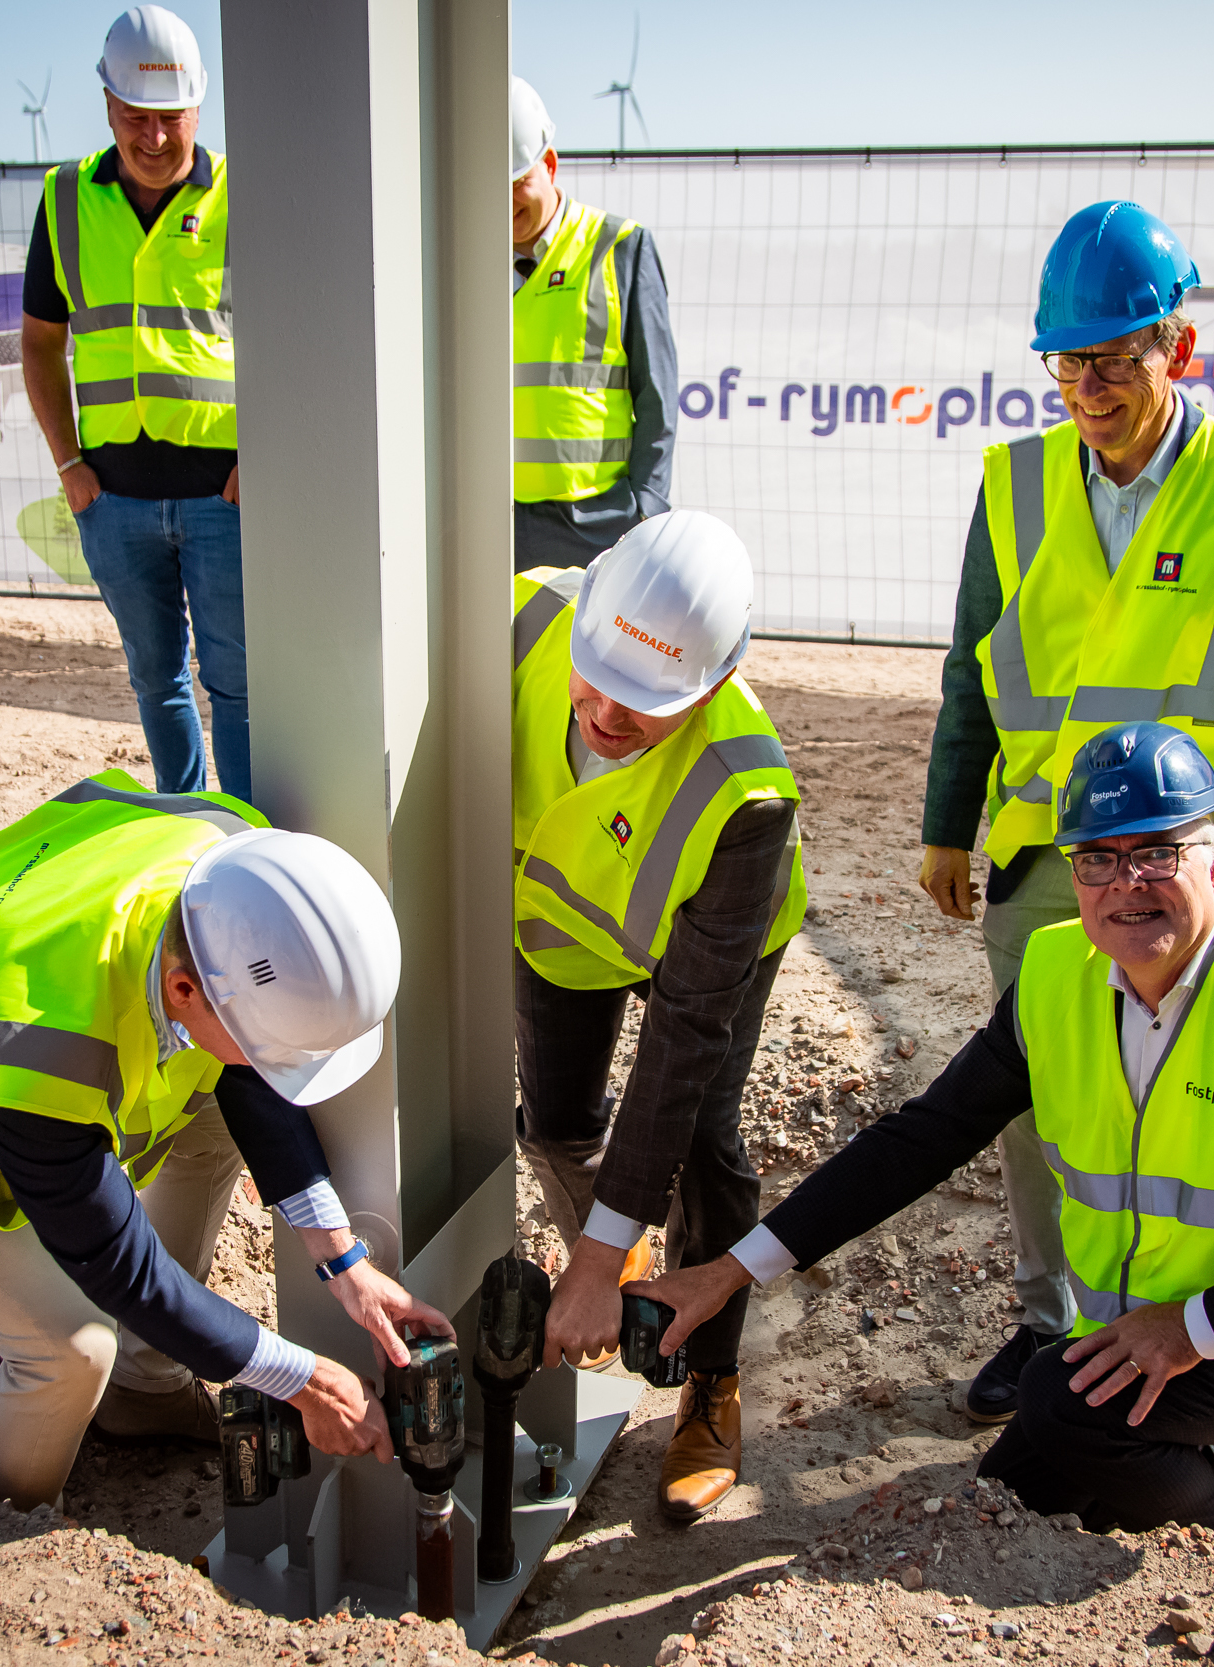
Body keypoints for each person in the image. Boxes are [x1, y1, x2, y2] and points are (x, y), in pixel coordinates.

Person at [635, 725, 1214, 1542]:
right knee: (1020, 1485)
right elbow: (923, 1139)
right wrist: (729, 1272)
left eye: (1158, 852)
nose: (1128, 883)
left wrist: (1191, 1329)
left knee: (1063, 1402)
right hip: (1141, 1327)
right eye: (1098, 858)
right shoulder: (1055, 976)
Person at [0, 771, 450, 1511]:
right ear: (185, 995)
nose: (272, 1070)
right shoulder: (39, 1054)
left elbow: (252, 1079)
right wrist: (302, 1379)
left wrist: (343, 1261)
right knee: (69, 1346)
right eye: (267, 1048)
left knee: (213, 1118)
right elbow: (118, 1266)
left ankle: (146, 1391)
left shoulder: (229, 861)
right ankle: (7, 1529)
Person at [916, 201, 1214, 1424]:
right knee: (1045, 1106)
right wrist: (949, 821)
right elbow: (970, 666)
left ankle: (1197, 1334)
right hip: (1049, 852)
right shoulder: (1016, 482)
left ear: (1178, 350)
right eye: (1066, 361)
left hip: (1208, 865)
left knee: (1208, 1102)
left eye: (1112, 360)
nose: (1086, 388)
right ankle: (1055, 1326)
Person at [513, 510, 806, 1523]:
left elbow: (681, 1044)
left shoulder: (748, 795)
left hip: (700, 938)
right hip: (564, 917)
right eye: (594, 680)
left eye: (646, 704)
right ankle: (616, 1228)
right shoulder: (521, 621)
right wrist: (607, 1232)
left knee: (705, 1144)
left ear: (716, 683)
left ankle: (709, 1382)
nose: (603, 717)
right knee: (551, 1120)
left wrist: (591, 1260)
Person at [23, 6, 249, 801]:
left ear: (199, 107)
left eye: (169, 120)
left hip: (225, 497)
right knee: (157, 681)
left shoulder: (242, 198)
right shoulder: (63, 201)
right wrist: (70, 467)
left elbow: (291, 342)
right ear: (108, 106)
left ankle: (249, 839)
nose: (152, 139)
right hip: (113, 500)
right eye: (133, 119)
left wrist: (261, 460)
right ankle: (187, 825)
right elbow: (41, 343)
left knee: (241, 686)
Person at [509, 77, 678, 574]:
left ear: (551, 164)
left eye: (519, 182)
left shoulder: (620, 247)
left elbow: (658, 399)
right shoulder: (460, 263)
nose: (507, 202)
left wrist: (644, 511)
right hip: (496, 526)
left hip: (598, 527)